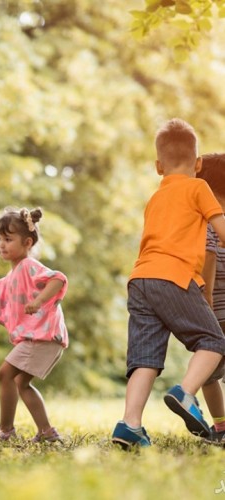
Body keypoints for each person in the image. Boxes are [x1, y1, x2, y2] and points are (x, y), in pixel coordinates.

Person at [111, 118, 225, 449]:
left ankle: (130, 424)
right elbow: (220, 230)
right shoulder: (199, 188)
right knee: (213, 341)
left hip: (140, 279)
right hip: (174, 277)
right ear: (198, 163)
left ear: (158, 166)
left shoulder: (155, 197)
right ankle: (186, 393)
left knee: (144, 358)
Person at [0, 208, 68, 442]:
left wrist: (38, 301)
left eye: (8, 239)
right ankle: (47, 432)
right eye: (0, 239)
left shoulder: (29, 265)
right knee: (20, 382)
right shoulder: (13, 274)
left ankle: (5, 429)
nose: (2, 244)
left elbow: (58, 279)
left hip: (43, 337)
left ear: (27, 242)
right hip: (43, 338)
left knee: (5, 374)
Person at [197, 153, 225, 445]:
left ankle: (220, 426)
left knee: (207, 374)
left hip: (215, 314)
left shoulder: (209, 225)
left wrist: (204, 299)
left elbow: (209, 257)